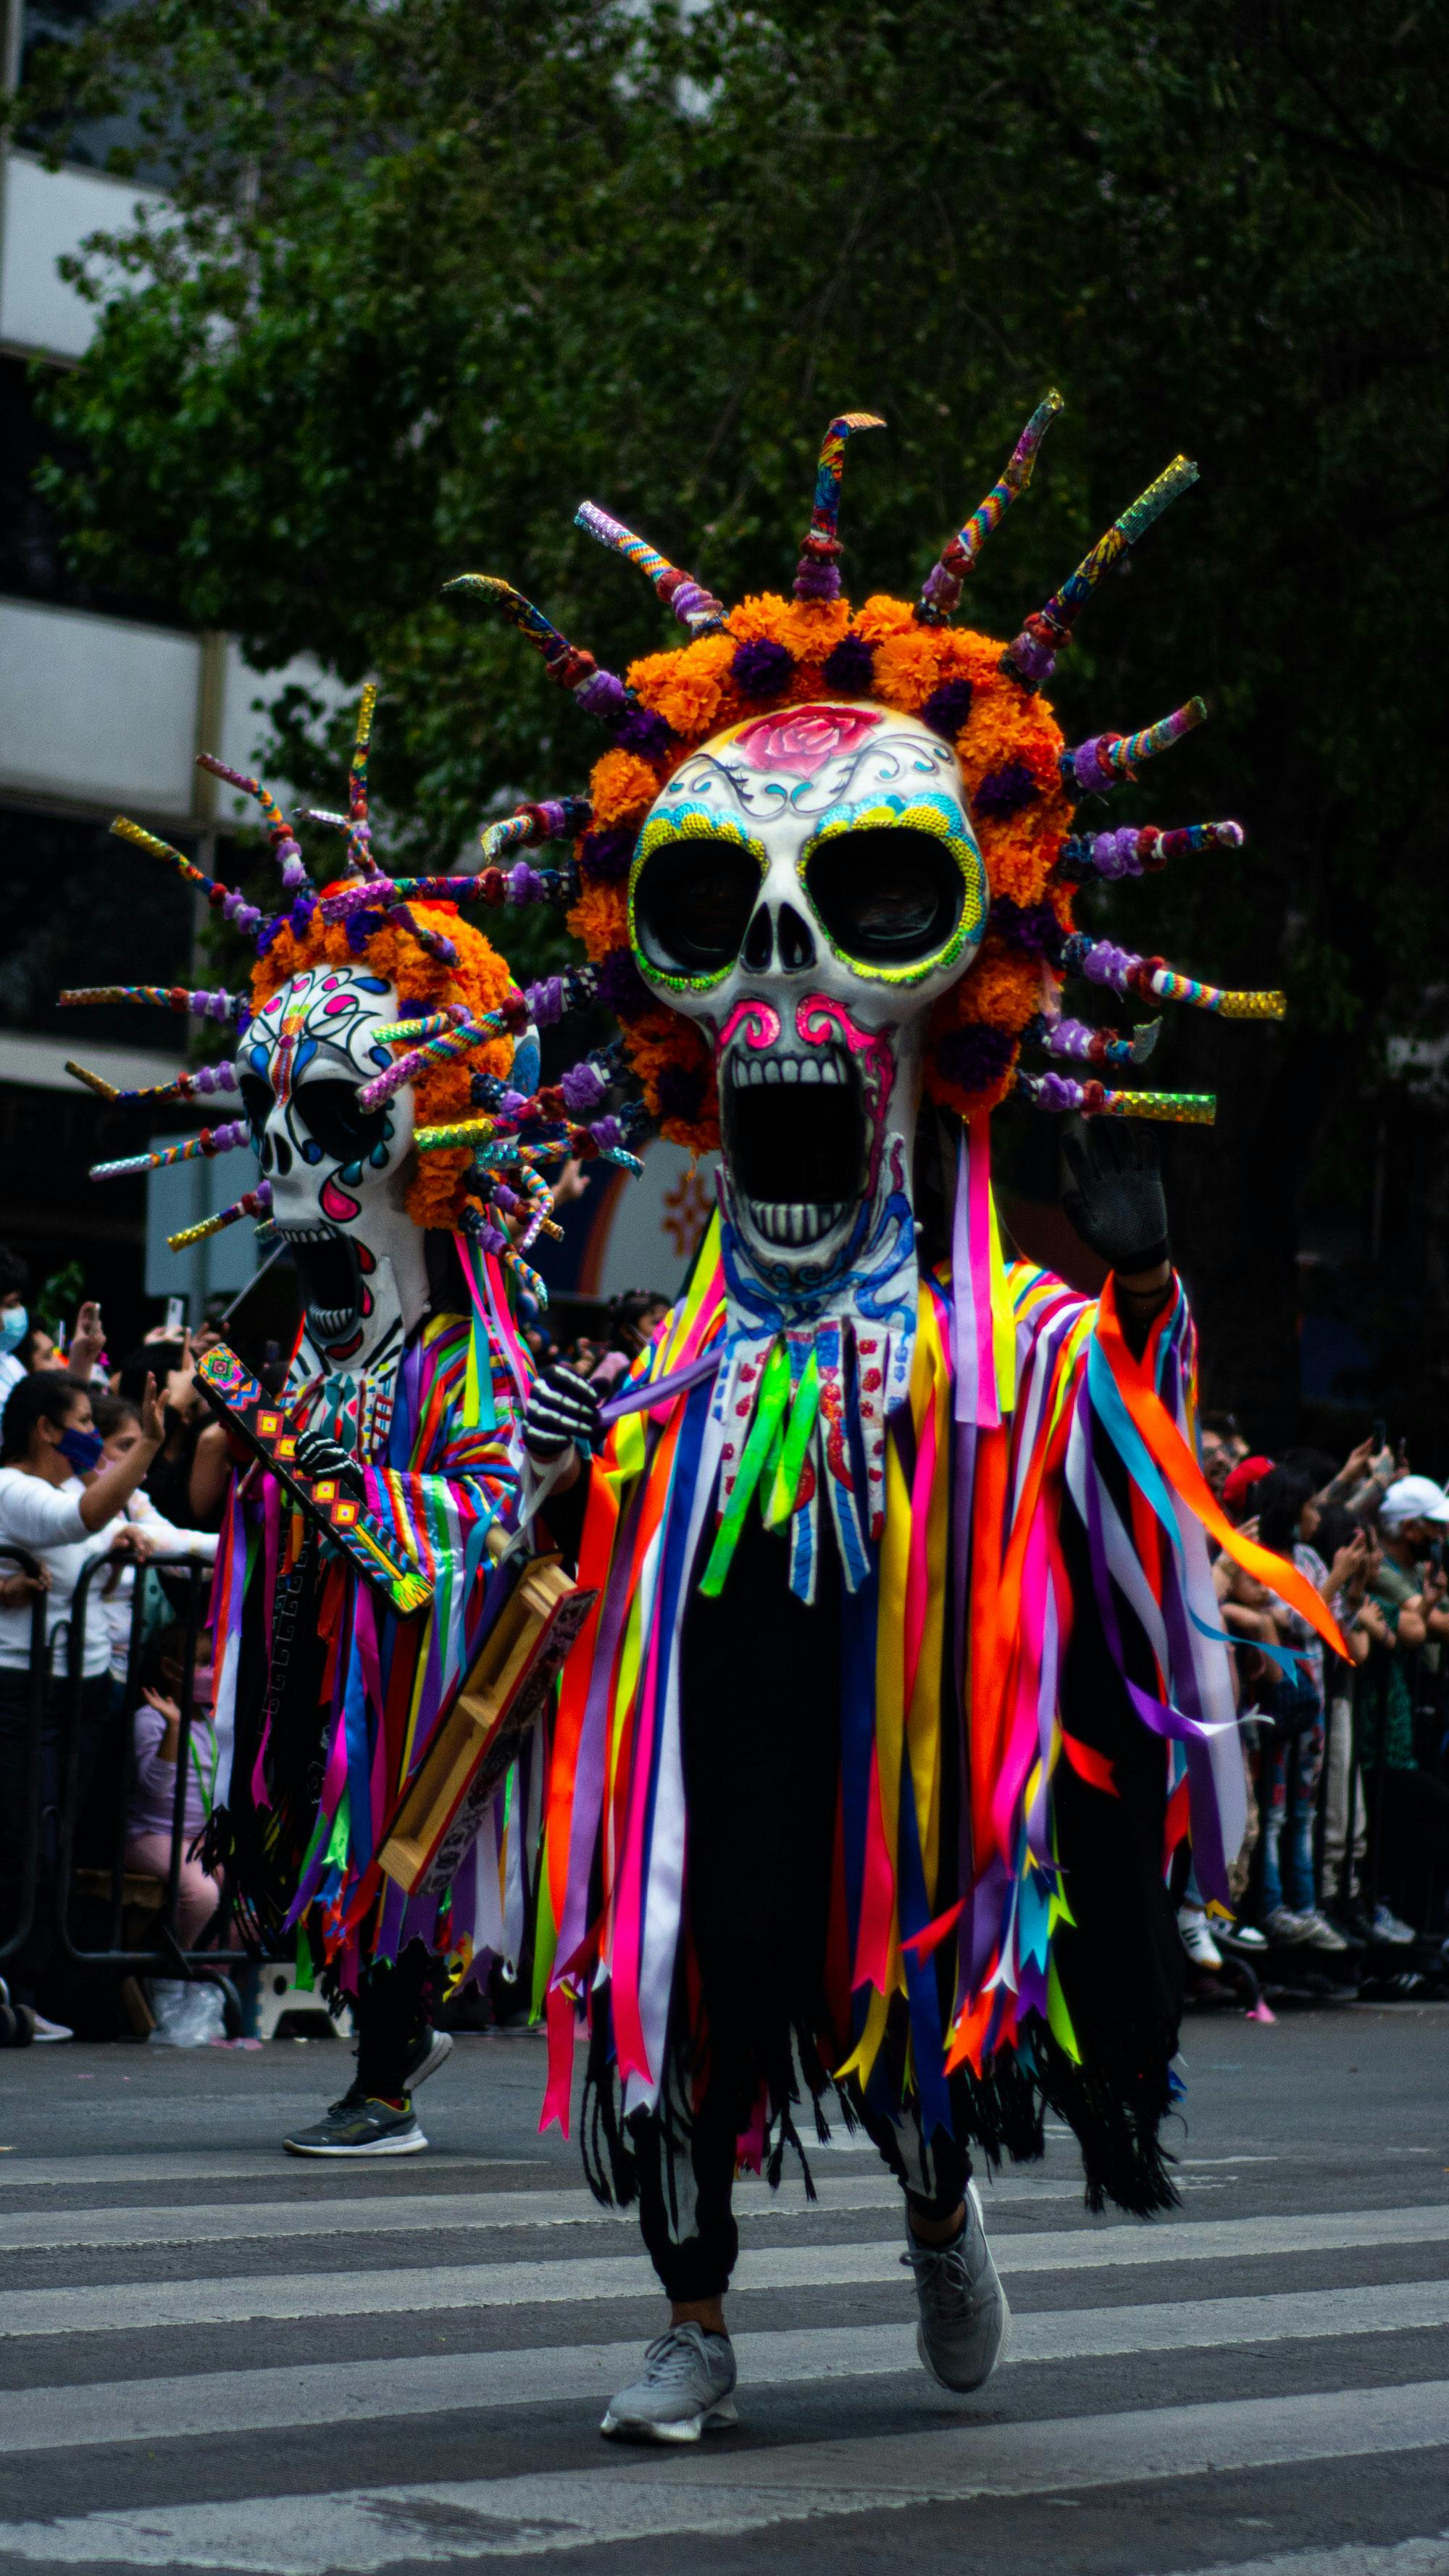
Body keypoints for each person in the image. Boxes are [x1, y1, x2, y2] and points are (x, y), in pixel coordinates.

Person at [499, 409, 1342, 2441]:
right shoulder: (657, 1387)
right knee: (680, 1976)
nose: (783, 956)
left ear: (970, 974)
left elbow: (1132, 1618)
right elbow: (544, 1593)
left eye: (866, 897)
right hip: (725, 1695)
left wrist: (1158, 1455)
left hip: (912, 1722)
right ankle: (693, 2324)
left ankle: (942, 2204)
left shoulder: (1025, 1353)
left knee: (910, 2001)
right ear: (666, 990)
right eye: (724, 911)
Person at [64, 698, 609, 2152]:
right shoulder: (317, 1333)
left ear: (426, 1124)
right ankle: (389, 2041)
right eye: (264, 1105)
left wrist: (307, 1461)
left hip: (427, 1687)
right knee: (310, 1830)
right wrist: (256, 1449)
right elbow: (265, 1489)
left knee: (398, 1837)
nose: (290, 1146)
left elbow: (475, 1527)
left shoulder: (462, 1344)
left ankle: (389, 2064)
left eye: (327, 1106)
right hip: (321, 1662)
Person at [0, 1368, 164, 2038]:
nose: (94, 1439)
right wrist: (149, 1444)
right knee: (22, 1839)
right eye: (85, 1426)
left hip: (84, 1690)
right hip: (21, 1692)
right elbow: (83, 1521)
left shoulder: (69, 1481)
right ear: (45, 1429)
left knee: (56, 1841)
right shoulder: (13, 1487)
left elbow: (124, 1531)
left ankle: (30, 1994)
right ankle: (14, 1982)